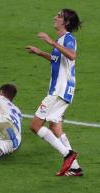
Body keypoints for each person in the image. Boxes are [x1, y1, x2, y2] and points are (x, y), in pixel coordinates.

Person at [26, 8, 83, 177]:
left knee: (35, 126)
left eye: (58, 16)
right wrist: (40, 53)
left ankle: (68, 155)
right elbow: (57, 60)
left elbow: (72, 56)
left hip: (59, 90)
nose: (54, 17)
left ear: (65, 22)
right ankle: (75, 168)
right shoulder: (61, 40)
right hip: (63, 90)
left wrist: (51, 43)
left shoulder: (68, 39)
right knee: (55, 127)